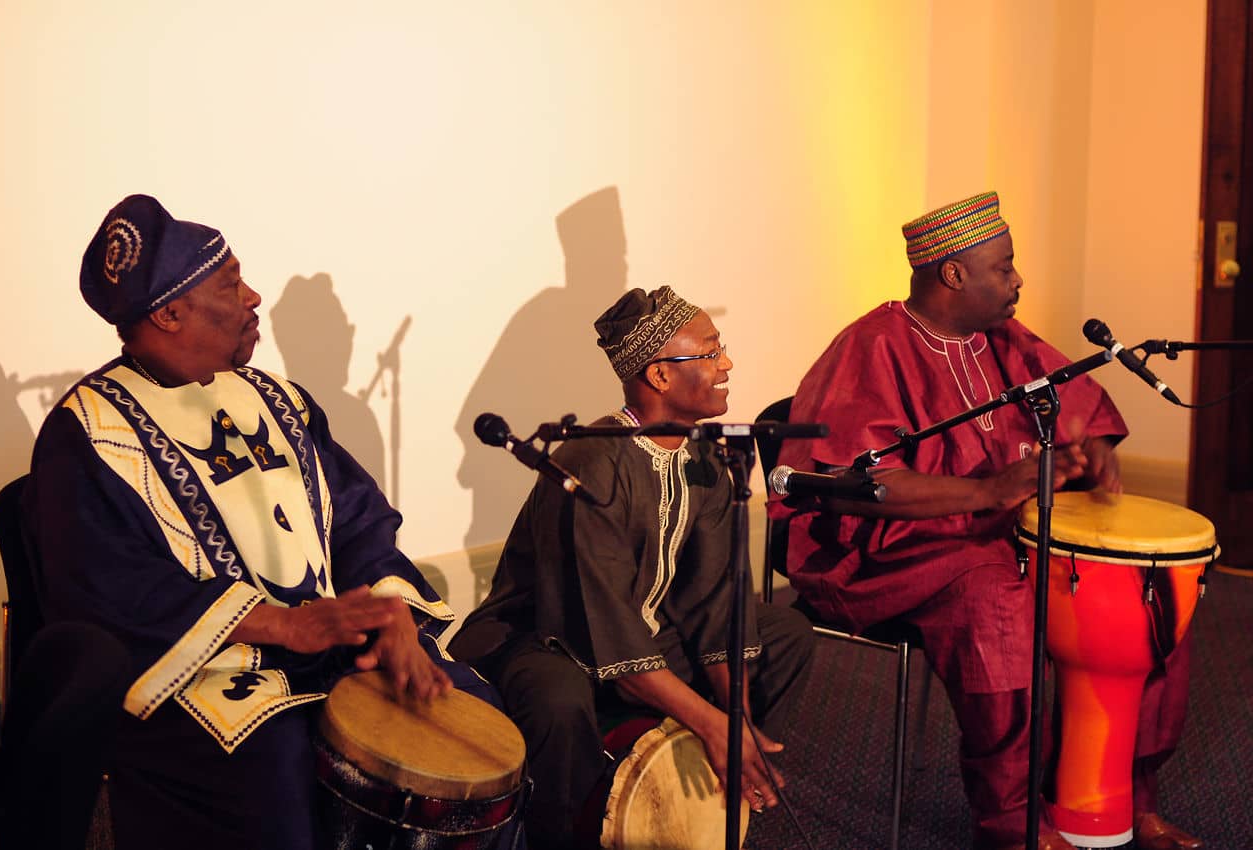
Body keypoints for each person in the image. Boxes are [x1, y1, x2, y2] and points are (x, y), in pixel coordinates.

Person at [21, 195, 497, 850]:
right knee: (281, 760)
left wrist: (393, 618)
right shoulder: (86, 432)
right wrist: (283, 623)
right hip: (202, 673)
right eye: (230, 282)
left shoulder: (276, 397)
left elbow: (358, 523)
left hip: (330, 651)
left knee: (470, 711)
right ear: (168, 311)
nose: (253, 296)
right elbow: (107, 593)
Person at [770, 192, 1200, 850]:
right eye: (1003, 268)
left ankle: (1122, 798)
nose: (1018, 280)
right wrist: (993, 490)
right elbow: (853, 487)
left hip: (1005, 536)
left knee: (1149, 593)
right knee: (997, 599)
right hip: (892, 552)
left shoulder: (1004, 339)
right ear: (952, 274)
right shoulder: (871, 348)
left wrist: (1098, 453)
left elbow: (1080, 396)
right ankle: (1012, 824)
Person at [449, 285, 815, 850]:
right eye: (711, 352)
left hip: (642, 628)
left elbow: (717, 602)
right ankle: (565, 833)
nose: (728, 363)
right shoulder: (590, 463)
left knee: (783, 633)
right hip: (546, 636)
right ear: (660, 376)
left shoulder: (708, 458)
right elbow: (601, 628)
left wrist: (733, 718)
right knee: (558, 701)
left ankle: (710, 789)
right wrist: (711, 720)